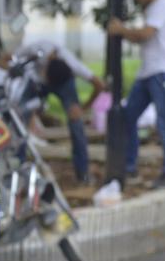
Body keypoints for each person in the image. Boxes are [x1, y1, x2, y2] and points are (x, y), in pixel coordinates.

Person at [107, 0, 165, 189]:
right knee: (128, 117)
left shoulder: (161, 4)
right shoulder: (153, 7)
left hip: (161, 71)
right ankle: (129, 165)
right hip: (149, 72)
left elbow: (145, 34)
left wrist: (121, 30)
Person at [6, 39, 106, 184]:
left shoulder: (72, 65)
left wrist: (83, 108)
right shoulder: (34, 50)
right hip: (35, 82)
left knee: (76, 122)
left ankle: (82, 172)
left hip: (64, 84)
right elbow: (10, 58)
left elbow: (99, 85)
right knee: (20, 116)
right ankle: (17, 165)